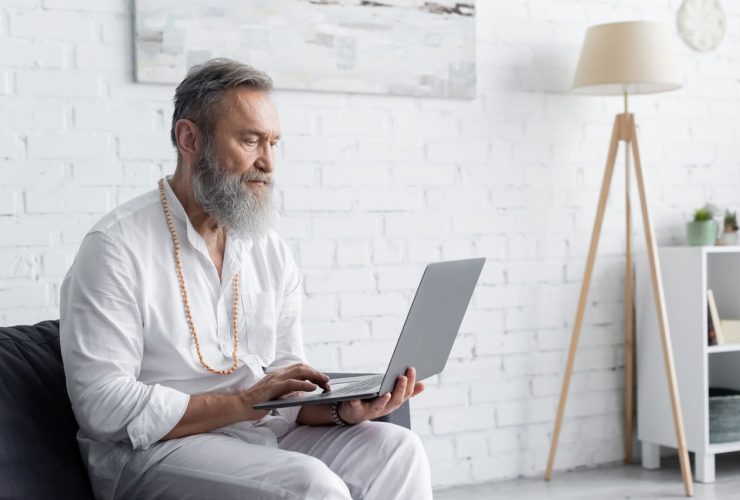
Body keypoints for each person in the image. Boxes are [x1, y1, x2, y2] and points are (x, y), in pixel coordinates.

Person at [60, 58, 432, 500]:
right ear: (189, 138)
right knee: (309, 485)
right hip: (153, 453)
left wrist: (340, 412)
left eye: (273, 143)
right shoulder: (115, 247)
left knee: (396, 449)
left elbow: (283, 386)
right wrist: (241, 403)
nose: (268, 162)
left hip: (256, 435)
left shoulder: (268, 249)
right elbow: (102, 406)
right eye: (250, 140)